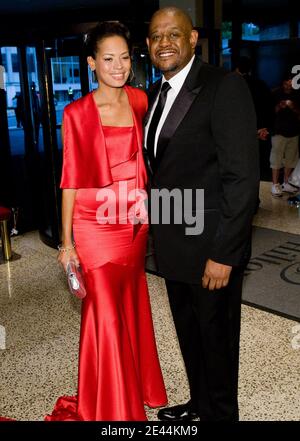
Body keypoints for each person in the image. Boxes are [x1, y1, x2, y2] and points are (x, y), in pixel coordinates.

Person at [45, 21, 167, 421]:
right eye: (108, 59)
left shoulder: (138, 100)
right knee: (105, 314)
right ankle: (114, 409)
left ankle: (134, 387)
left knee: (131, 306)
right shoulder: (77, 113)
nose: (118, 66)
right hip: (94, 228)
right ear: (92, 63)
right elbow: (70, 181)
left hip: (134, 225)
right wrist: (67, 244)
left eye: (125, 58)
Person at [145, 7, 259, 421]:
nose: (165, 43)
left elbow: (242, 179)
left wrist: (225, 253)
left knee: (218, 341)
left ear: (193, 38)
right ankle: (200, 406)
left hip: (212, 249)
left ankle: (222, 414)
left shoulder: (223, 86)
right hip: (174, 249)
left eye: (174, 34)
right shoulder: (154, 93)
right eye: (156, 36)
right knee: (190, 335)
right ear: (148, 45)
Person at [270, 73, 300, 197]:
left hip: (294, 132)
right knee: (276, 159)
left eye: (292, 82)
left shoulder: (298, 95)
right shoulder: (275, 93)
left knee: (290, 159)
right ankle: (275, 184)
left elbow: (299, 114)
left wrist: (293, 107)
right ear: (283, 82)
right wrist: (279, 106)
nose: (290, 84)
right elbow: (269, 112)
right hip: (278, 131)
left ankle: (286, 182)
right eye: (288, 82)